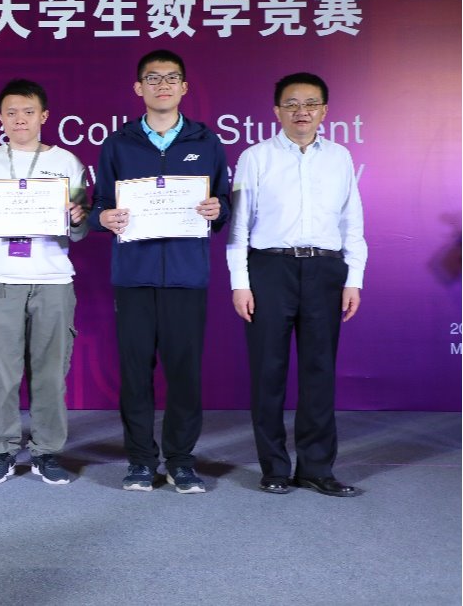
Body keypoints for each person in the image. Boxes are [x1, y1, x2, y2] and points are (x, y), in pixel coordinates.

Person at [90, 49, 229, 494]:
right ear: (139, 88)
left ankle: (181, 461)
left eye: (171, 78)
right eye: (153, 78)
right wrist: (103, 218)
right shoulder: (118, 144)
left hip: (187, 277)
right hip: (134, 276)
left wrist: (218, 209)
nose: (163, 85)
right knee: (135, 375)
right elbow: (98, 206)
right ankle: (140, 461)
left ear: (184, 87)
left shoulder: (206, 142)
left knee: (185, 374)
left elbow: (224, 203)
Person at [227, 72, 365, 497]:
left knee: (319, 372)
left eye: (310, 104)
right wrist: (240, 283)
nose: (301, 111)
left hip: (325, 271)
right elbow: (238, 227)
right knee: (268, 372)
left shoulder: (340, 157)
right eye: (291, 103)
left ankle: (316, 468)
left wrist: (354, 278)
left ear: (324, 111)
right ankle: (274, 467)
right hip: (270, 270)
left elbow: (352, 222)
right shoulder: (255, 157)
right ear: (276, 111)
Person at [0, 79, 89, 485]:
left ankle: (47, 451)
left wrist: (77, 217)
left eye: (29, 112)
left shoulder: (67, 162)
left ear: (44, 116)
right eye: (12, 112)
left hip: (53, 278)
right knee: (1, 374)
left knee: (51, 374)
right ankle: (2, 450)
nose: (20, 119)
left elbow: (81, 229)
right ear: (0, 118)